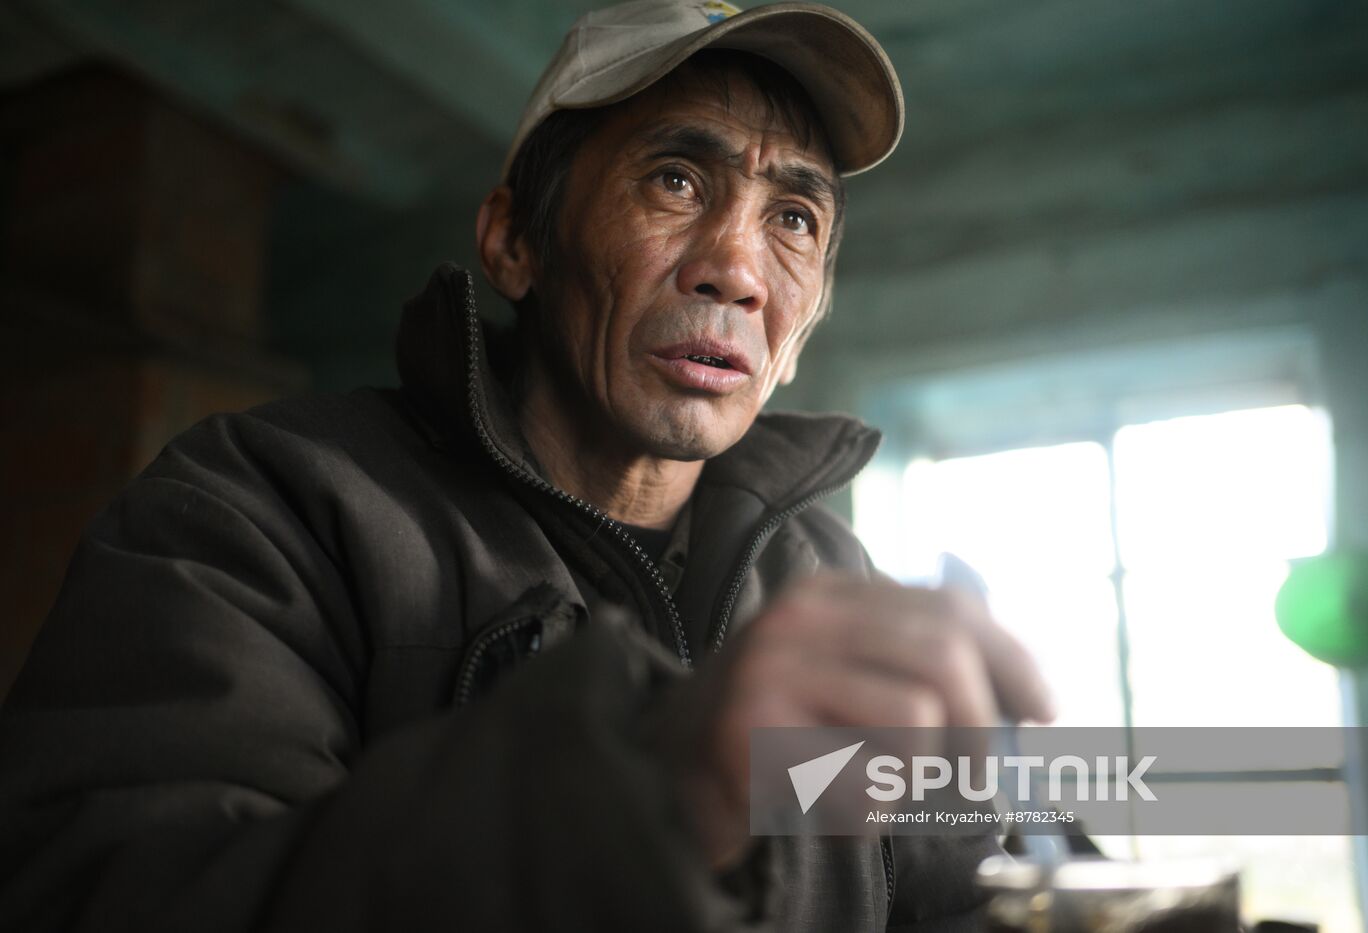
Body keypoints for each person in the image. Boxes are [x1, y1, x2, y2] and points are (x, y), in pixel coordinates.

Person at [0, 1, 1053, 930]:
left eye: (792, 217)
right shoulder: (265, 507)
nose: (734, 268)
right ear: (513, 243)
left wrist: (1126, 841)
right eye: (676, 178)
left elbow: (982, 881)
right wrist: (650, 789)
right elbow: (111, 891)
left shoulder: (832, 574)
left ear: (804, 321)